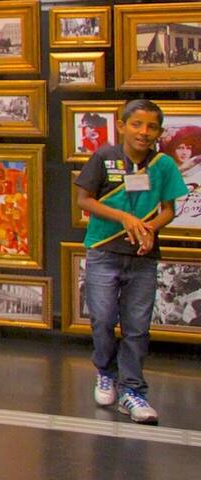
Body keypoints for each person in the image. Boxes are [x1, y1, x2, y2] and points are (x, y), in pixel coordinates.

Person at [74, 99, 189, 424]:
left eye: (152, 126)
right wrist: (125, 217)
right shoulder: (104, 157)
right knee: (103, 319)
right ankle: (105, 371)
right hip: (103, 252)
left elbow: (168, 209)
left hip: (143, 257)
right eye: (137, 124)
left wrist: (149, 227)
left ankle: (133, 391)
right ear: (122, 126)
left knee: (138, 328)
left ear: (159, 132)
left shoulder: (163, 164)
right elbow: (84, 199)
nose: (144, 132)